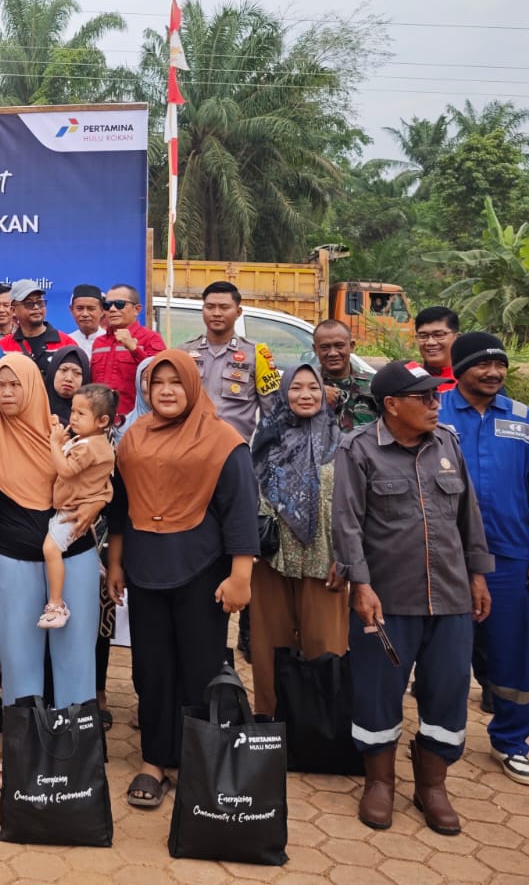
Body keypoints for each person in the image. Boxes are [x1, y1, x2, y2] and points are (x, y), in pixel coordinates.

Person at [333, 359, 493, 836]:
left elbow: (469, 514)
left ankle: (433, 786)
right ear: (391, 405)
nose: (433, 403)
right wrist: (359, 585)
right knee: (378, 692)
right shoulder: (358, 449)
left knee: (447, 691)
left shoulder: (447, 442)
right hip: (386, 600)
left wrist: (478, 576)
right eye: (422, 396)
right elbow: (346, 523)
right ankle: (379, 782)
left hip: (450, 596)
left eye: (434, 394)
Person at [105, 351, 256, 808]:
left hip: (202, 571)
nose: (166, 390)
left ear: (192, 386)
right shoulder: (133, 438)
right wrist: (116, 562)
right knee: (151, 670)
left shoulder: (222, 441)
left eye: (176, 382)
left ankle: (197, 759)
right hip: (146, 570)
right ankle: (155, 759)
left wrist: (241, 576)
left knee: (199, 667)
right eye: (157, 383)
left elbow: (240, 510)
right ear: (146, 390)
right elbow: (120, 506)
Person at [0, 353, 104, 790]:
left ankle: (75, 755)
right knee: (19, 657)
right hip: (13, 558)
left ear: (32, 386)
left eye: (14, 385)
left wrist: (99, 504)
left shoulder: (63, 433)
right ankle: (20, 753)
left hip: (75, 554)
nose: (6, 394)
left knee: (73, 656)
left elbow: (103, 475)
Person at [440, 333, 529, 784]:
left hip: (509, 559)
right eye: (482, 365)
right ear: (459, 370)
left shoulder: (525, 421)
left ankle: (512, 741)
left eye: (500, 365)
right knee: (444, 653)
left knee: (513, 654)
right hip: (441, 556)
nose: (493, 373)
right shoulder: (433, 414)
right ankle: (441, 737)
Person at [247, 363, 349, 718]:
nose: (305, 395)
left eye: (313, 388)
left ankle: (321, 726)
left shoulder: (342, 441)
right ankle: (270, 723)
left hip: (326, 560)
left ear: (324, 393)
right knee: (269, 645)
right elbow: (248, 495)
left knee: (326, 646)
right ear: (282, 392)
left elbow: (353, 506)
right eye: (296, 388)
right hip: (272, 558)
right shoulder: (264, 437)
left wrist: (348, 558)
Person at [40, 385, 117, 630]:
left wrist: (54, 443)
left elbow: (66, 469)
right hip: (75, 507)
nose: (73, 417)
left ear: (102, 420)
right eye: (73, 411)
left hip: (72, 511)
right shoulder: (88, 440)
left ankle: (56, 603)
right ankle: (95, 566)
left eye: (81, 414)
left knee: (51, 549)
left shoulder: (90, 446)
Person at [177, 280, 278, 441]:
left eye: (224, 307)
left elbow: (272, 410)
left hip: (234, 450)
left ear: (238, 312)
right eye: (210, 307)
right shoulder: (183, 352)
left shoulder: (257, 354)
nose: (216, 313)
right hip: (189, 447)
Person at [90, 283, 166, 424]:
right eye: (107, 305)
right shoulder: (99, 342)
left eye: (119, 304)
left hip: (137, 423)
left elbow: (160, 377)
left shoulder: (151, 338)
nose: (112, 309)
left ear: (137, 309)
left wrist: (134, 349)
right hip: (100, 423)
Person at [0, 280, 77, 385]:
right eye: (29, 303)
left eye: (40, 302)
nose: (36, 307)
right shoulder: (2, 347)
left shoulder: (67, 344)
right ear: (13, 310)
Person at [312, 319, 377, 431]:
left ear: (351, 346)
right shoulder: (304, 387)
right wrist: (316, 395)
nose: (332, 353)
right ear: (315, 349)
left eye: (339, 346)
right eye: (325, 347)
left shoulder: (375, 384)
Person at [413, 306, 460, 393]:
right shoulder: (408, 376)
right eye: (423, 336)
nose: (430, 342)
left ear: (456, 337)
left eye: (439, 335)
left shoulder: (469, 379)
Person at [47, 346, 89, 428]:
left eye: (77, 373)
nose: (69, 378)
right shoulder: (36, 404)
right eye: (64, 370)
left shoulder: (93, 412)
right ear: (53, 371)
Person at [67, 284, 105, 355]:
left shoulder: (111, 341)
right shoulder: (66, 341)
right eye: (79, 308)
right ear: (71, 310)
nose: (85, 314)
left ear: (102, 311)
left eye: (91, 309)